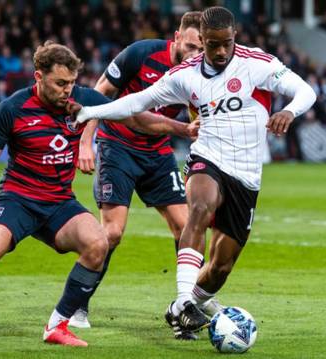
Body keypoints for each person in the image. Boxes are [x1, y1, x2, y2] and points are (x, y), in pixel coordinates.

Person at [0, 40, 196, 351]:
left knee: (99, 243)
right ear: (38, 77)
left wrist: (182, 129)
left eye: (71, 82)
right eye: (60, 83)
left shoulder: (82, 99)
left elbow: (134, 117)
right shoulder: (12, 109)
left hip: (58, 202)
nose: (67, 90)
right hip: (18, 199)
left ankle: (57, 324)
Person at [72, 6, 316, 337]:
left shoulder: (257, 63)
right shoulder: (184, 74)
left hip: (246, 173)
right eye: (211, 44)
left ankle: (186, 305)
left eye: (225, 43)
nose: (218, 51)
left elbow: (306, 91)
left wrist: (289, 110)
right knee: (198, 210)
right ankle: (185, 301)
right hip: (206, 157)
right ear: (201, 39)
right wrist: (91, 112)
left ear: (234, 38)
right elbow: (136, 102)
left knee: (221, 267)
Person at [73, 12, 220, 337]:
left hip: (157, 153)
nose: (196, 55)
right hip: (118, 147)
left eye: (202, 49)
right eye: (192, 46)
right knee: (112, 233)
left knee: (187, 226)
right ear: (177, 36)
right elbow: (100, 93)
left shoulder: (199, 72)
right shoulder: (140, 54)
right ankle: (78, 302)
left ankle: (186, 310)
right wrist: (87, 142)